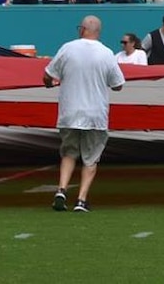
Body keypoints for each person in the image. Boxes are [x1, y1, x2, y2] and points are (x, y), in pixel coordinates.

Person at [44, 15, 127, 211]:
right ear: (98, 31)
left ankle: (62, 189)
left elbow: (48, 75)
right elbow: (118, 85)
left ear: (82, 29)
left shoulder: (68, 48)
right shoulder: (106, 53)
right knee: (91, 158)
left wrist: (50, 83)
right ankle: (81, 199)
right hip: (95, 113)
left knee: (68, 152)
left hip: (70, 111)